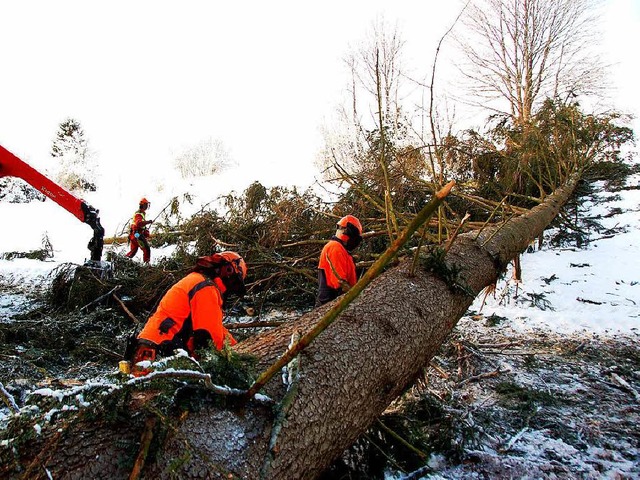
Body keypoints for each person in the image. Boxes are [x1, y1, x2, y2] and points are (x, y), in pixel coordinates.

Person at [130, 251, 247, 376]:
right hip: (160, 353)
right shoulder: (206, 288)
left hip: (151, 348)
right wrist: (232, 360)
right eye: (234, 282)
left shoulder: (198, 281)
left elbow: (217, 330)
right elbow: (209, 336)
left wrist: (237, 347)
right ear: (228, 270)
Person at [316, 215, 363, 306]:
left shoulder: (342, 250)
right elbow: (340, 283)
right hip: (332, 303)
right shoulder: (335, 248)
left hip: (337, 301)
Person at [126, 197, 153, 263]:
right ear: (143, 205)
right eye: (146, 205)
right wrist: (148, 222)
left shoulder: (140, 213)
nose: (147, 206)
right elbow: (139, 224)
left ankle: (123, 261)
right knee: (146, 249)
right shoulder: (139, 214)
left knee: (133, 251)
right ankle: (146, 265)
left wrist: (145, 231)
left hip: (134, 235)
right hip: (137, 236)